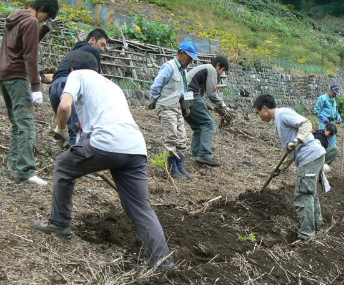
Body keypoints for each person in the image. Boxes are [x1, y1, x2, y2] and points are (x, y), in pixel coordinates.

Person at [33, 50, 174, 271]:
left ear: (71, 69)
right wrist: (95, 161)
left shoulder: (76, 76)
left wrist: (60, 129)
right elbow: (100, 123)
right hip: (135, 148)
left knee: (63, 165)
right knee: (140, 208)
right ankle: (164, 264)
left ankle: (60, 223)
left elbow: (63, 106)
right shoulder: (112, 86)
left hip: (107, 144)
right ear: (97, 69)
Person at [0, 0, 59, 186]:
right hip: (18, 76)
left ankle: (14, 165)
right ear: (42, 8)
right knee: (25, 123)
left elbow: (23, 46)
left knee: (18, 123)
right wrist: (36, 86)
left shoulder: (17, 17)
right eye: (46, 17)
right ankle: (25, 171)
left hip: (4, 74)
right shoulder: (31, 21)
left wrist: (44, 30)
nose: (44, 21)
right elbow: (30, 55)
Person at [254, 95, 326, 241]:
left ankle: (306, 235)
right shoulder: (279, 120)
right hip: (314, 155)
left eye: (258, 112)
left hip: (310, 155)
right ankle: (318, 227)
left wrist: (297, 140)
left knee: (303, 195)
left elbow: (306, 124)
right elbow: (290, 151)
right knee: (310, 193)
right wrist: (280, 169)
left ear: (264, 108)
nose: (259, 116)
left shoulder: (283, 113)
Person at [49, 28, 108, 147]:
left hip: (54, 87)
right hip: (68, 84)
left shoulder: (74, 51)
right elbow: (96, 77)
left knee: (67, 126)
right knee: (77, 128)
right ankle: (74, 159)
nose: (102, 49)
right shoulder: (91, 52)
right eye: (102, 44)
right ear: (92, 40)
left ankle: (66, 153)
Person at [150, 41, 199, 179]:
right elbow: (155, 87)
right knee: (171, 137)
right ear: (181, 53)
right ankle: (171, 168)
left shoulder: (183, 71)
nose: (190, 61)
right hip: (166, 107)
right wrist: (158, 102)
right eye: (189, 57)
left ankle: (179, 165)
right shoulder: (169, 67)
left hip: (176, 107)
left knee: (182, 138)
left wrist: (185, 106)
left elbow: (182, 91)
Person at [185, 56, 232, 166]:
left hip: (184, 97)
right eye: (222, 70)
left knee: (198, 126)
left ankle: (197, 154)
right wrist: (222, 105)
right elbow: (211, 93)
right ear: (218, 65)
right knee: (209, 123)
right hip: (191, 96)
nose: (221, 74)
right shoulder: (211, 69)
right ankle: (204, 154)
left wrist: (210, 107)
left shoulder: (203, 69)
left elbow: (201, 95)